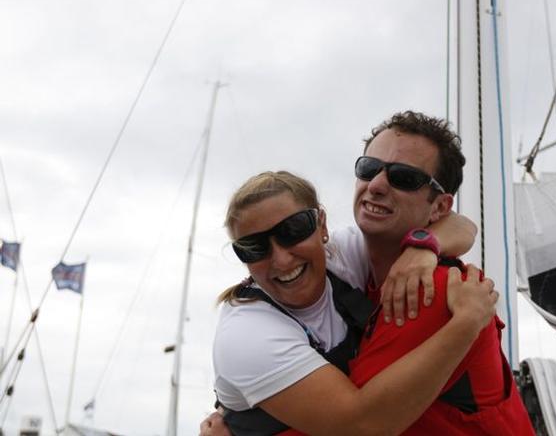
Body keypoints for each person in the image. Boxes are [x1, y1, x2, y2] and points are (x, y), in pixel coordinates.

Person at [208, 170, 497, 435]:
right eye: (254, 248)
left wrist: (422, 249)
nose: (282, 259)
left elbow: (461, 225)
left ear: (321, 225)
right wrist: (467, 323)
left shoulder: (342, 256)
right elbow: (361, 427)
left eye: (293, 230)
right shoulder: (245, 335)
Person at [348, 111, 534, 434]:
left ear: (440, 207)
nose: (376, 185)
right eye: (368, 169)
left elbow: (353, 425)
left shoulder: (434, 291)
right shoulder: (355, 271)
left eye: (404, 178)